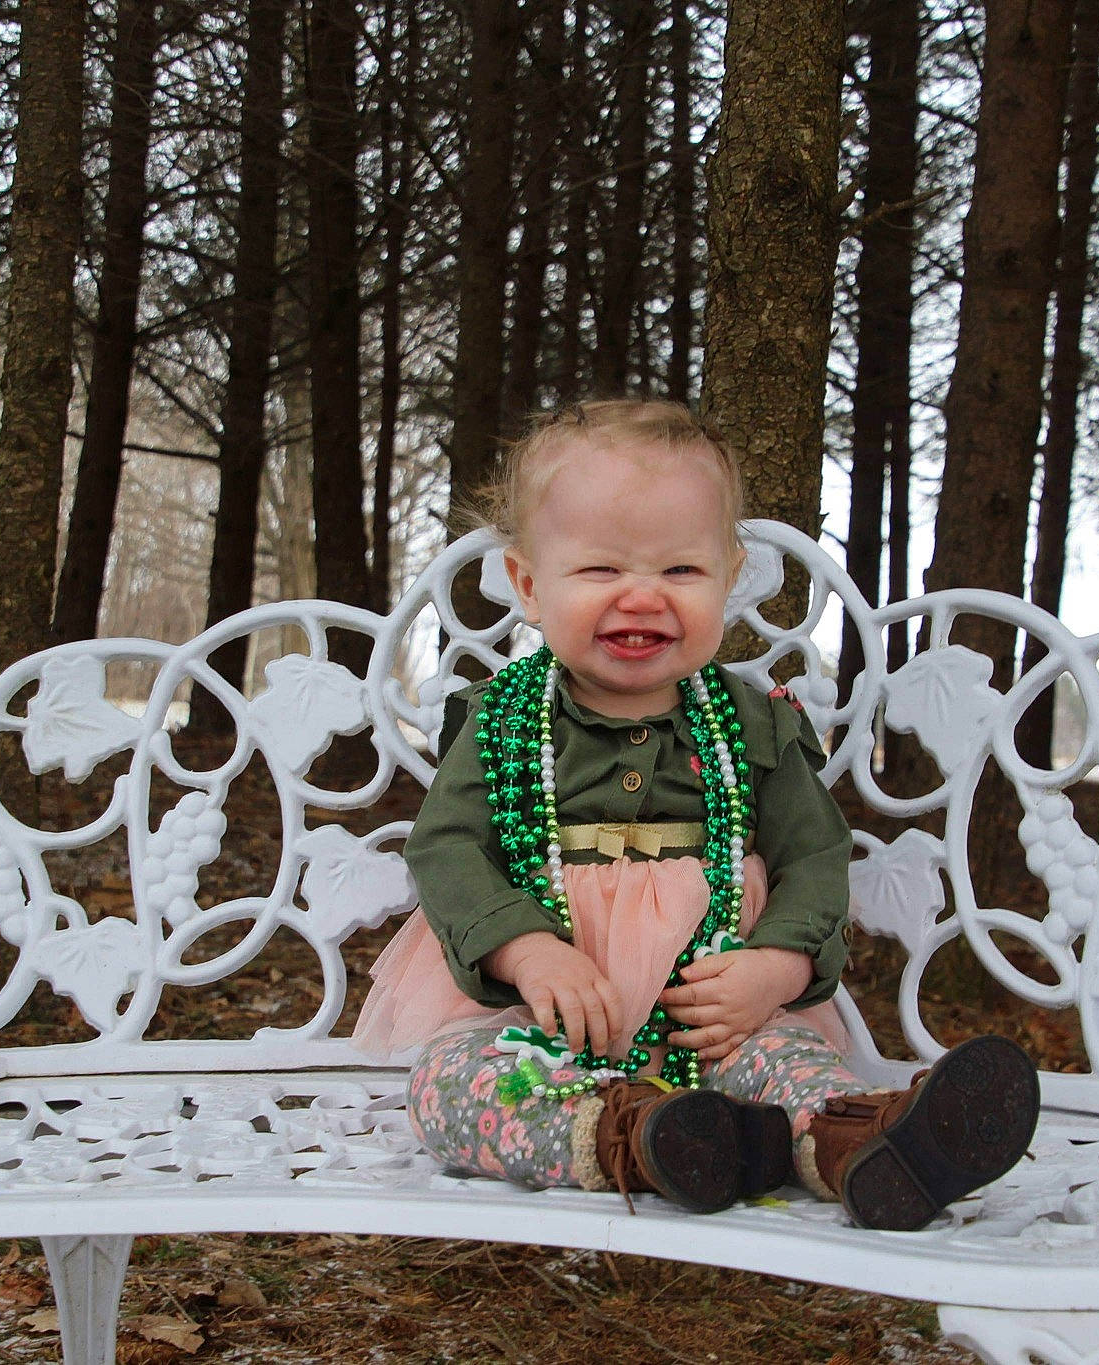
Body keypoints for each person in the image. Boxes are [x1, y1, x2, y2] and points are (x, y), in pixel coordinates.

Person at [353, 399, 1039, 1228]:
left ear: (727, 576)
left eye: (681, 572)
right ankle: (632, 1136)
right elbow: (448, 848)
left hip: (716, 1009)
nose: (643, 597)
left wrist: (779, 967)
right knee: (450, 1082)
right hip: (541, 1016)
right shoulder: (499, 719)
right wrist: (528, 951)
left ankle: (863, 1142)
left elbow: (815, 856)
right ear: (530, 584)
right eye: (602, 571)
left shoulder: (751, 723)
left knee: (790, 1062)